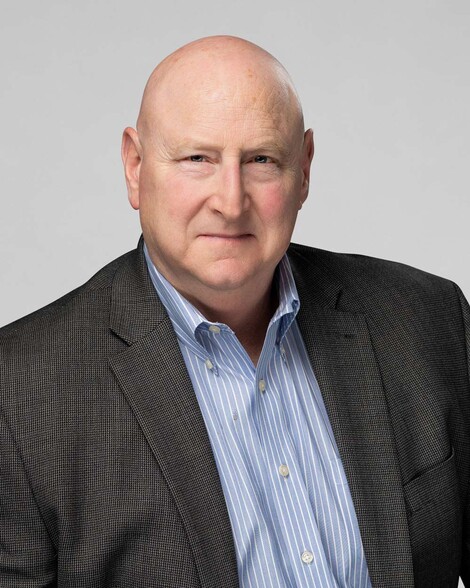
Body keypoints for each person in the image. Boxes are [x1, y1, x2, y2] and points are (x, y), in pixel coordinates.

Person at [0, 35, 468, 588]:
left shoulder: (428, 321)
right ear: (135, 166)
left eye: (261, 160)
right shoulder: (20, 392)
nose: (230, 201)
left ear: (304, 169)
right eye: (197, 159)